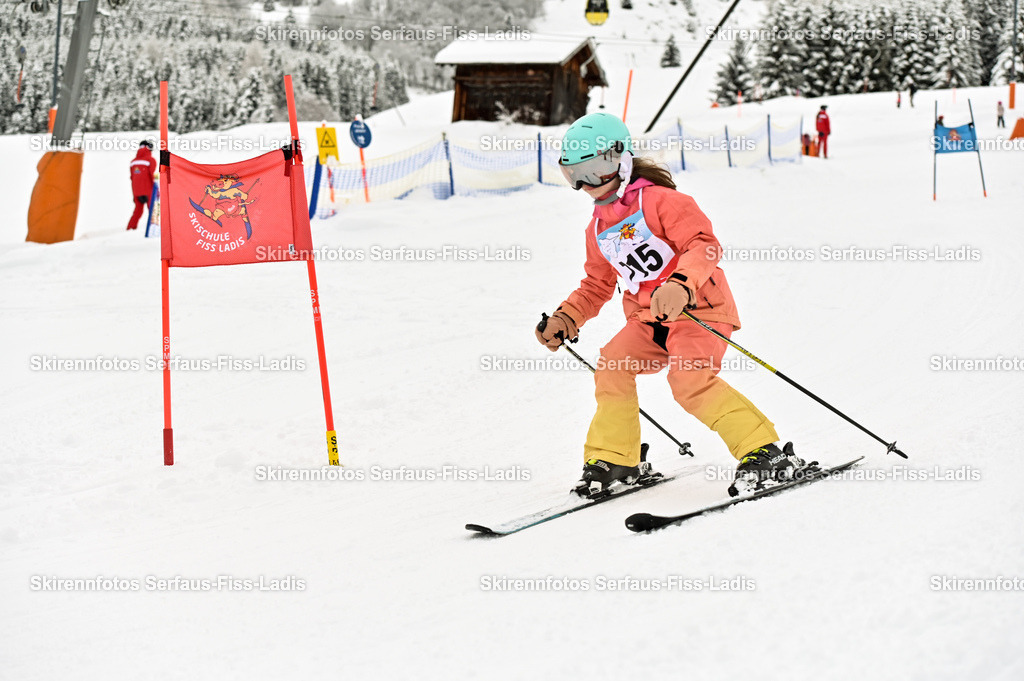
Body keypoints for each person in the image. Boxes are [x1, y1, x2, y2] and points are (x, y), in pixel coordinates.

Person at [536, 112, 802, 499]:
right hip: (649, 320)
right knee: (612, 364)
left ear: (620, 158)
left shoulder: (663, 201)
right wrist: (566, 316)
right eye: (574, 175)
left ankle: (764, 453)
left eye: (595, 170)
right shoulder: (597, 228)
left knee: (688, 381)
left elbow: (704, 245)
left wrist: (681, 283)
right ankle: (616, 459)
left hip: (699, 311)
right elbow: (596, 285)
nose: (586, 184)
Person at [127, 140, 156, 231]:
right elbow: (153, 176)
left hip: (137, 191)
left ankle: (130, 229)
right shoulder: (151, 160)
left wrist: (134, 195)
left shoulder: (133, 162)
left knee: (138, 211)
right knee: (153, 210)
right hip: (149, 190)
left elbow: (132, 178)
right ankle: (154, 230)